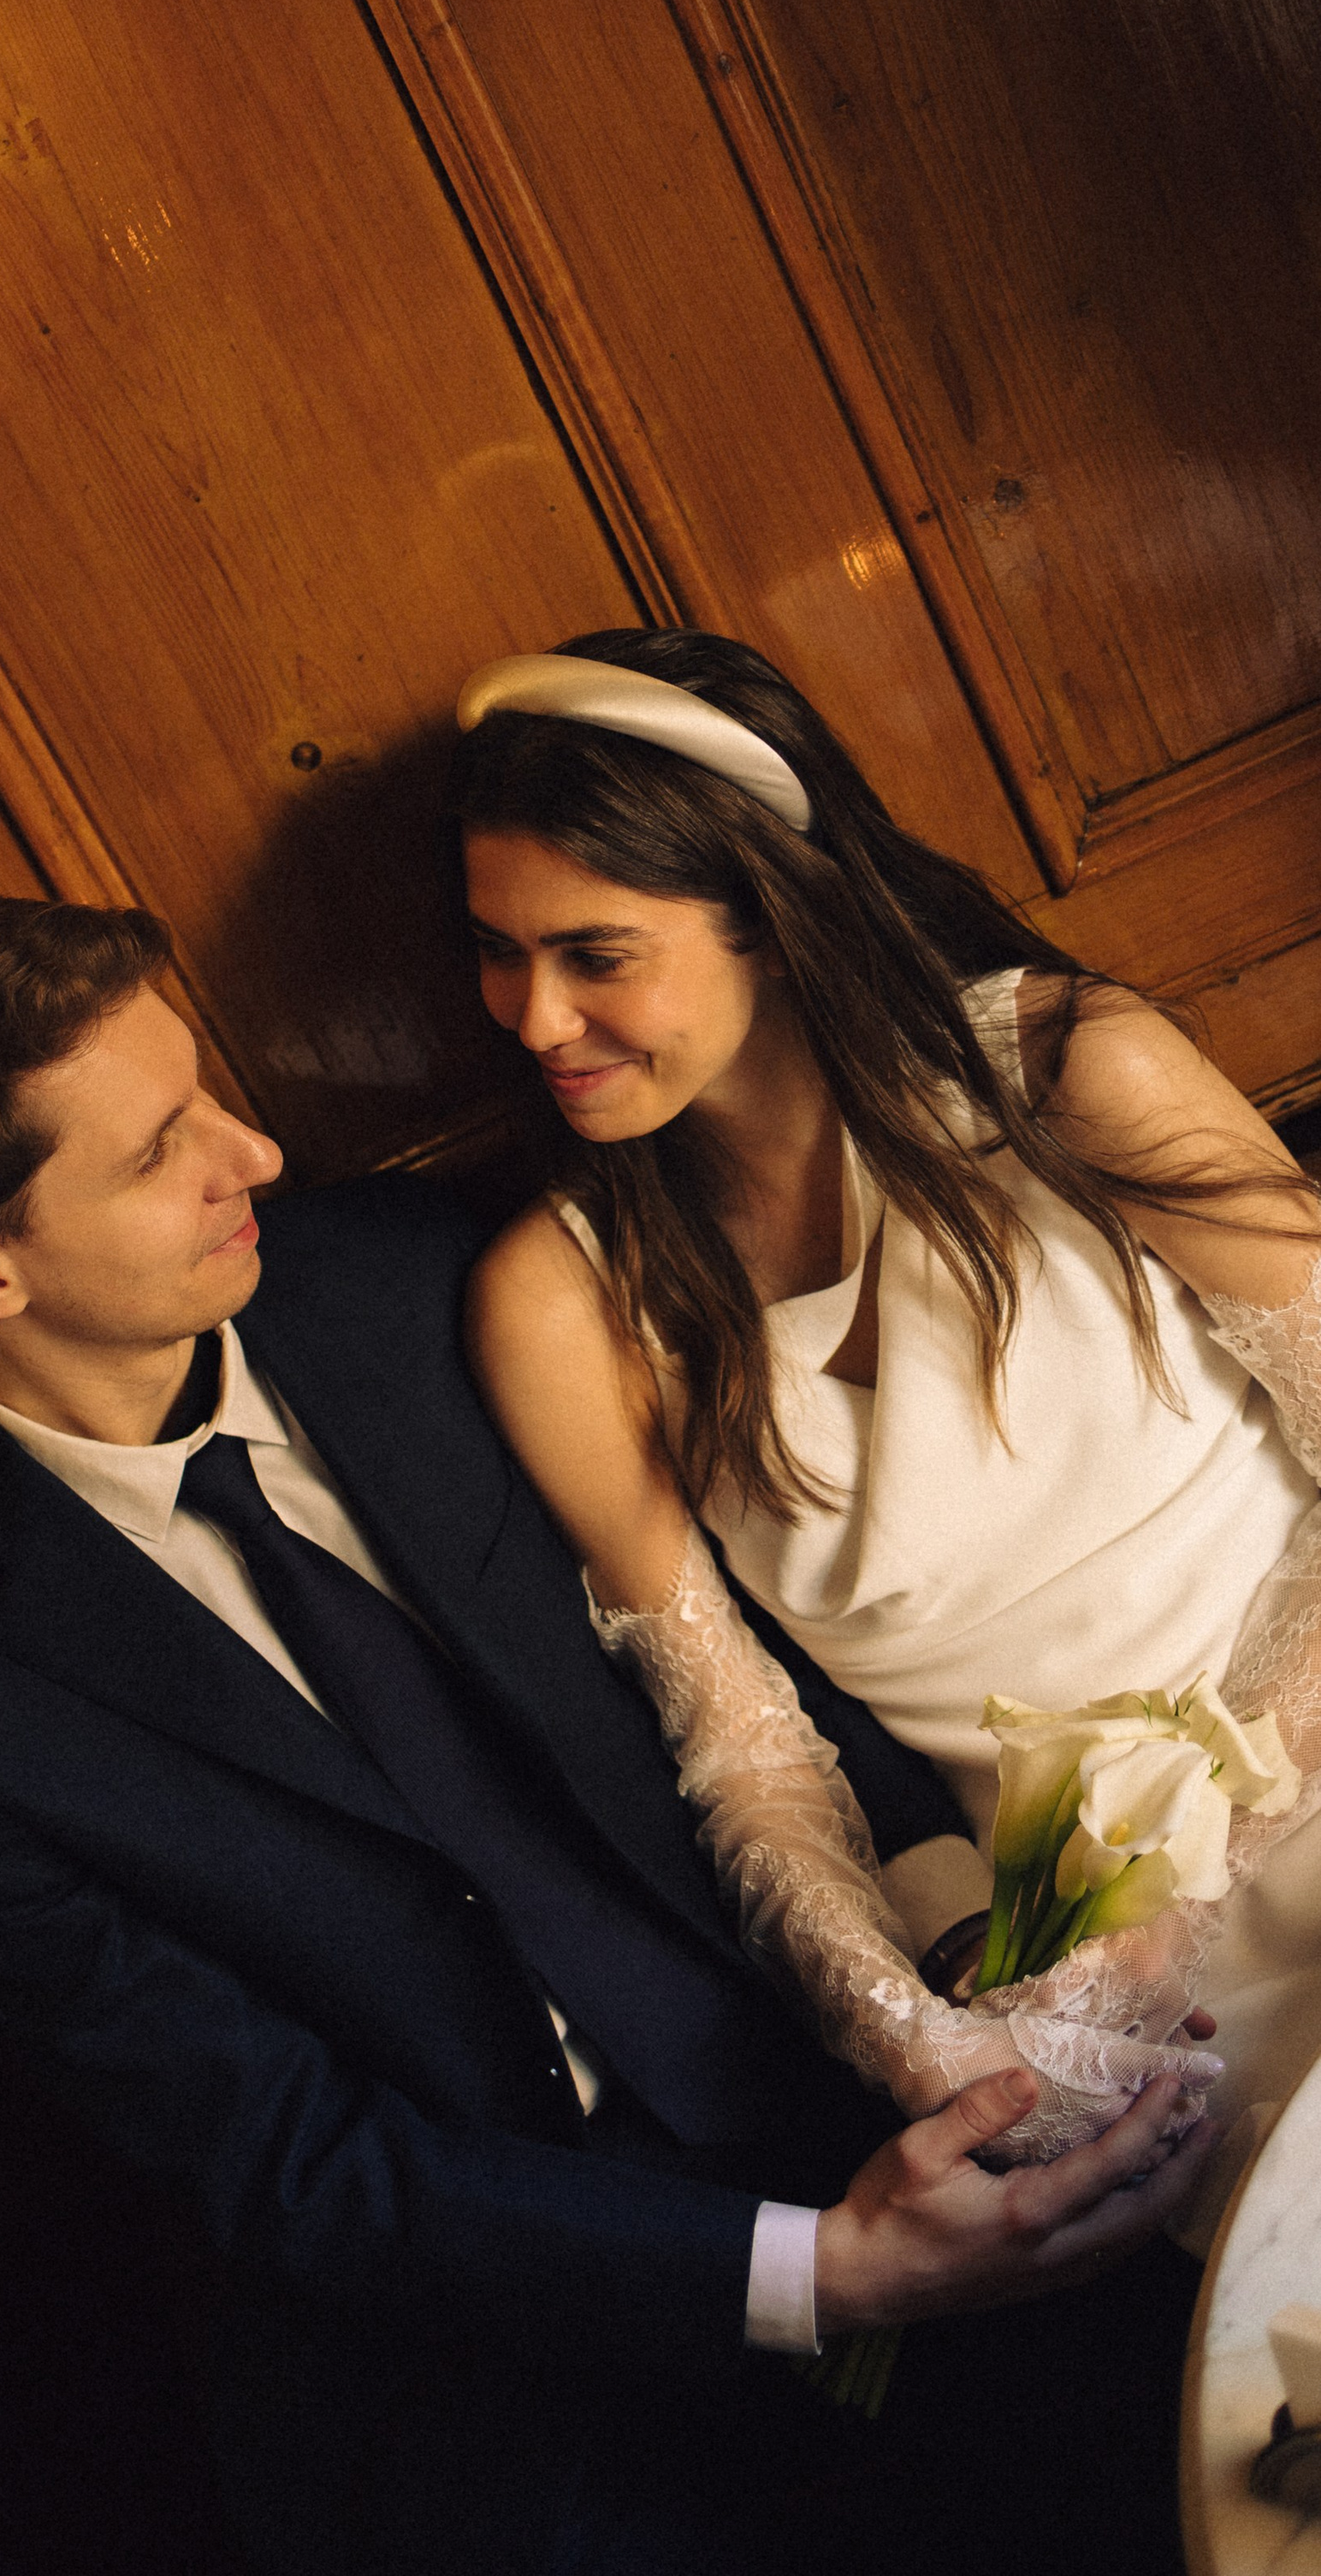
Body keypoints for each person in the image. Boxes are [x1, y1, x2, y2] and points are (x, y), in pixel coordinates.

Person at [0, 891, 1213, 2576]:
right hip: (512, 2334)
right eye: (161, 1150)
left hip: (844, 2068)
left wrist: (964, 1964)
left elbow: (757, 1639)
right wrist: (823, 2274)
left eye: (208, 1091)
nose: (253, 1154)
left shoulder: (414, 1276)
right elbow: (286, 2160)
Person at [456, 628, 1321, 2215]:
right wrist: (907, 2031)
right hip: (1083, 1970)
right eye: (499, 954)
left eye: (595, 955)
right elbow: (745, 1751)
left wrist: (1182, 1900)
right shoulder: (565, 1304)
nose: (531, 1019)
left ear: (769, 912)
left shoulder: (1071, 1075)